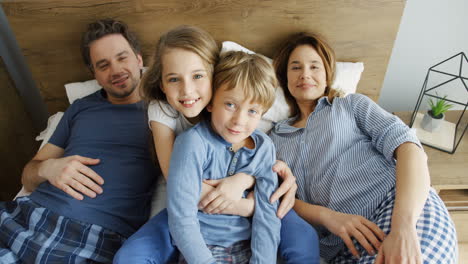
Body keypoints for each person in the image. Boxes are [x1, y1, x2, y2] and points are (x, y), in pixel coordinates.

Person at [114, 26, 319, 264]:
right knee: (131, 256)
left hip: (247, 202)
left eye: (198, 76)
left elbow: (265, 173)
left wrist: (245, 180)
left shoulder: (249, 123)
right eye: (174, 79)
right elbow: (180, 190)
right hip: (196, 205)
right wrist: (244, 204)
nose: (188, 90)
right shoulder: (173, 122)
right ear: (162, 83)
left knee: (304, 238)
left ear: (214, 76)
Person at [269, 32, 458, 263]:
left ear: (328, 75)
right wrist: (327, 217)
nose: (305, 74)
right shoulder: (274, 138)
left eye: (314, 67)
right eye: (295, 67)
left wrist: (403, 228)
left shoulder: (351, 105)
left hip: (396, 207)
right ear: (285, 78)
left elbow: (410, 148)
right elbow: (278, 197)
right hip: (341, 245)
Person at [0, 19, 157, 263]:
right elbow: (27, 177)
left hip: (92, 237)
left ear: (139, 59)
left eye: (122, 58)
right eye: (103, 65)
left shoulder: (164, 111)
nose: (115, 70)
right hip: (25, 217)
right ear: (94, 73)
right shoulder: (80, 109)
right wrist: (47, 168)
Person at [168, 50, 283, 263]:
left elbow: (267, 216)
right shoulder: (193, 143)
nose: (239, 120)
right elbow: (181, 218)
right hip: (203, 249)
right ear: (211, 102)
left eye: (252, 111)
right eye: (230, 105)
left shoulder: (264, 147)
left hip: (248, 248)